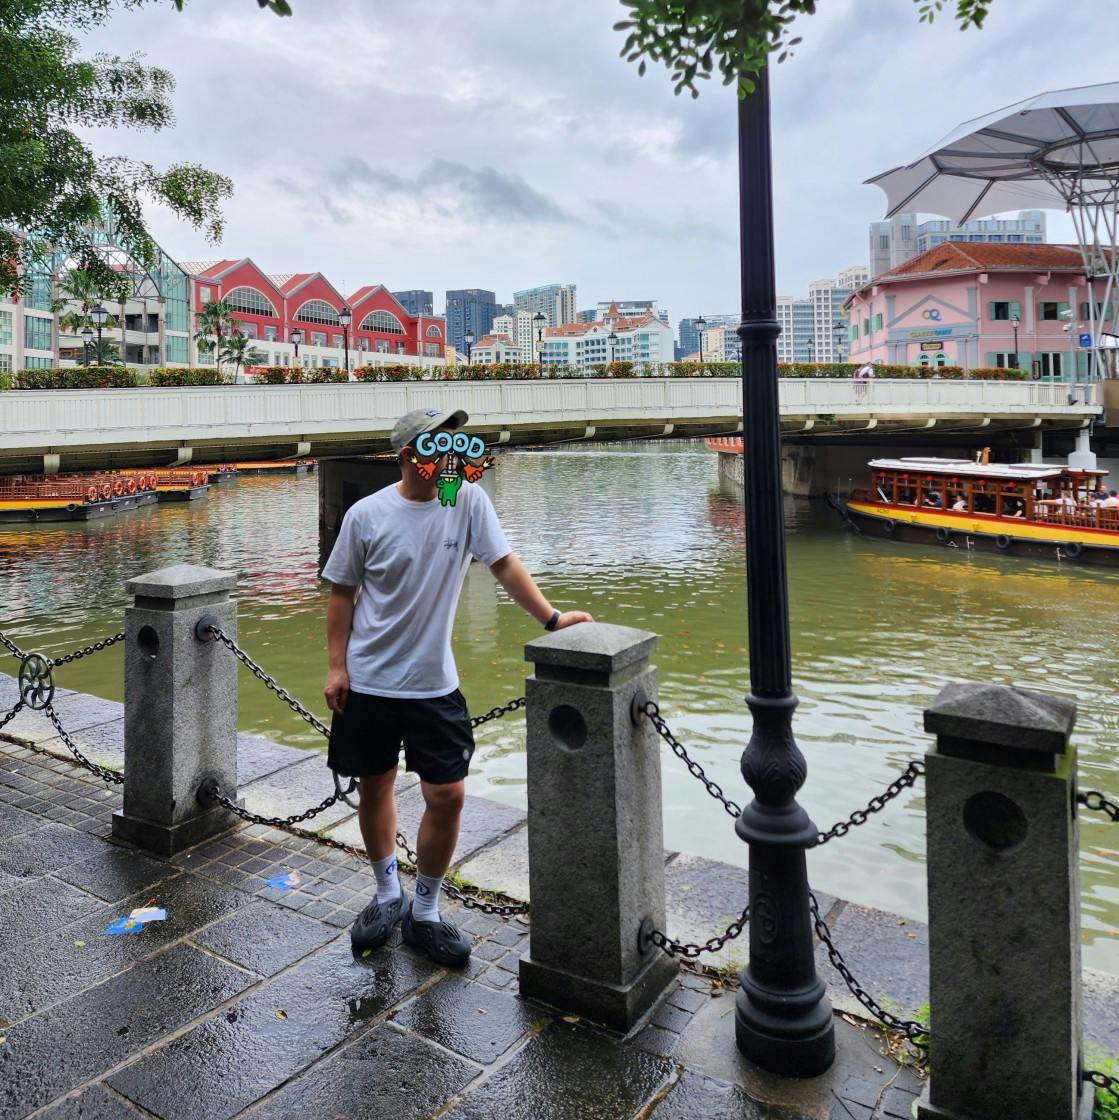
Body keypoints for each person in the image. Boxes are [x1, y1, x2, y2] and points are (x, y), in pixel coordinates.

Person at [322, 407, 594, 967]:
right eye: (436, 442)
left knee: (447, 795)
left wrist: (551, 619)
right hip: (370, 681)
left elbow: (503, 563)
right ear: (405, 454)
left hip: (433, 683)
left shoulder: (464, 500)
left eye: (453, 440)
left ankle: (424, 908)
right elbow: (341, 593)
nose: (450, 450)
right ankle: (385, 894)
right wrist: (336, 666)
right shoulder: (366, 515)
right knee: (374, 789)